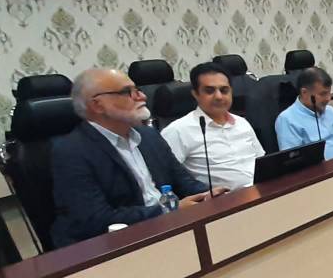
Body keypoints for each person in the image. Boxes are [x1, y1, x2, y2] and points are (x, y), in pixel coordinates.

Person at [49, 68, 216, 247]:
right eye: (127, 92)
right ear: (97, 105)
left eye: (138, 90)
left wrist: (212, 195)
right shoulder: (70, 151)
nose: (142, 96)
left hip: (170, 228)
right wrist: (169, 211)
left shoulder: (149, 136)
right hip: (114, 245)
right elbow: (95, 219)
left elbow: (184, 182)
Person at [161, 61, 265, 191]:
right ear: (195, 94)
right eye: (209, 91)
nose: (219, 96)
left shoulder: (242, 123)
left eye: (224, 90)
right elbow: (166, 178)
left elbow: (261, 160)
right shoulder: (177, 131)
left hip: (262, 191)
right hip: (224, 199)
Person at [276, 67, 333, 155]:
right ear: (304, 92)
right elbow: (292, 159)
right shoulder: (287, 119)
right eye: (323, 94)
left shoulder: (330, 110)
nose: (328, 98)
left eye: (329, 93)